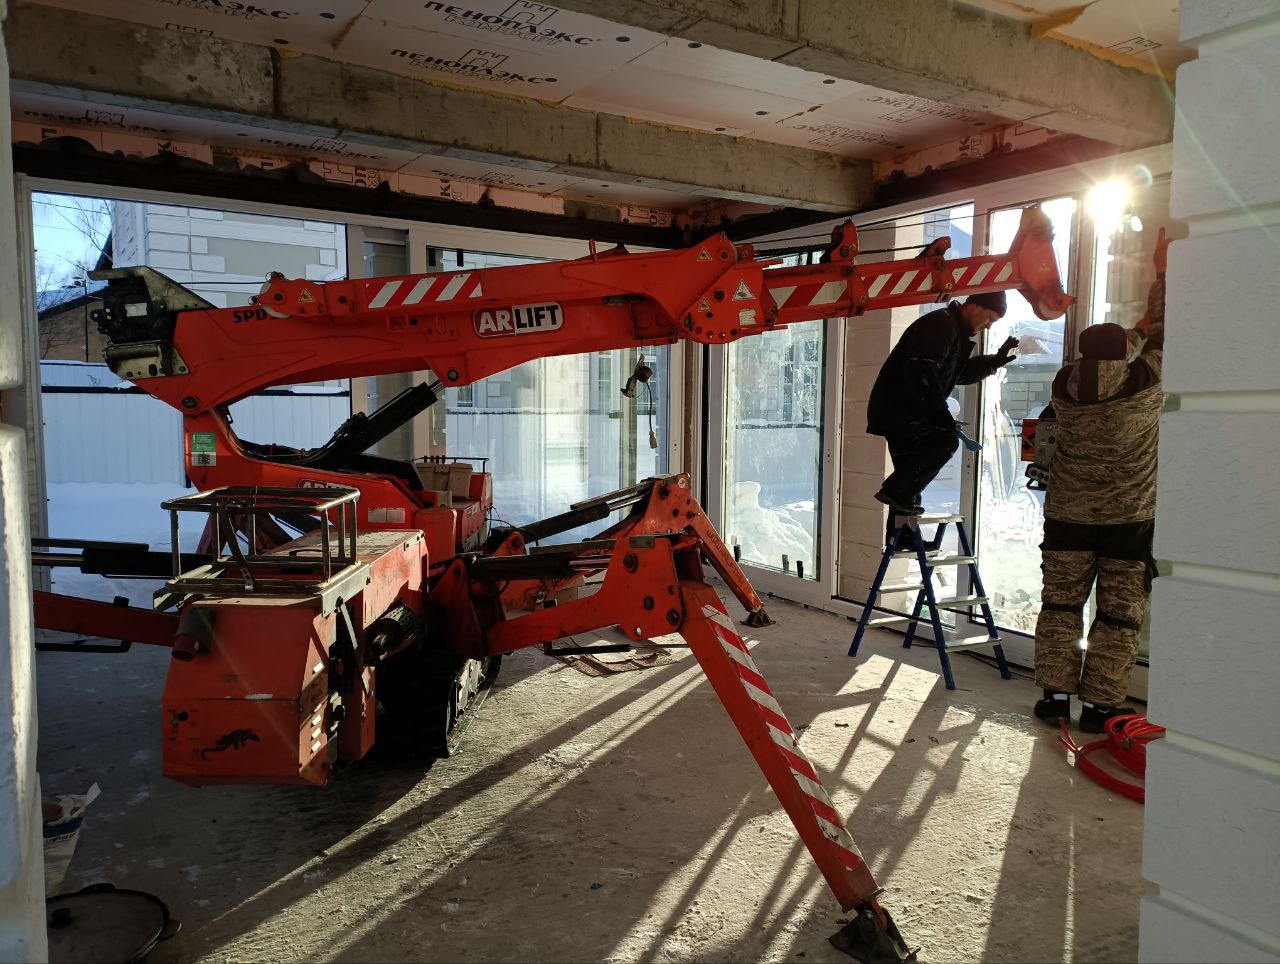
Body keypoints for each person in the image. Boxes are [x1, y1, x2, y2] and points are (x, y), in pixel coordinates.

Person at [1032, 250, 1166, 734]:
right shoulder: (1143, 384)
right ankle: (1100, 708)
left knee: (1061, 605)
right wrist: (1162, 276)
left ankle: (1054, 698)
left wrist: (1134, 331)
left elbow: (1123, 350)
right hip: (1127, 520)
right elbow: (1161, 336)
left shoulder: (1063, 385)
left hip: (1067, 516)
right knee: (1118, 614)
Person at [866, 291, 1018, 515]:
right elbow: (921, 374)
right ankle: (894, 493)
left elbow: (957, 374)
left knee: (910, 481)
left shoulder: (952, 329)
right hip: (901, 411)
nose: (988, 326)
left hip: (903, 410)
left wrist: (993, 363)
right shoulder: (940, 326)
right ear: (976, 305)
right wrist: (942, 416)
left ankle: (902, 518)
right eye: (990, 318)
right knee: (943, 443)